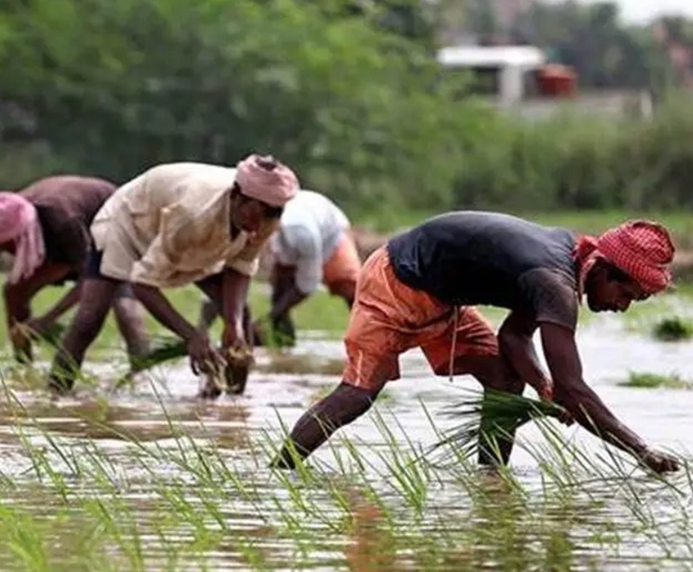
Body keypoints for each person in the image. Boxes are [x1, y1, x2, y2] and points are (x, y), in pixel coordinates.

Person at [271, 211, 682, 474]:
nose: (623, 307)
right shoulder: (554, 281)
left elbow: (514, 336)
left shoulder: (566, 263)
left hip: (441, 301)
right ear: (605, 271)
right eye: (627, 295)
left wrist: (542, 386)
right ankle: (279, 472)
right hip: (395, 282)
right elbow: (574, 389)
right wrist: (641, 450)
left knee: (505, 378)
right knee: (356, 396)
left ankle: (490, 482)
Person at [48, 154, 300, 396]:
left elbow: (241, 267)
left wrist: (233, 327)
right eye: (254, 215)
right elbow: (142, 283)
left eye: (269, 217)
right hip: (131, 224)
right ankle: (56, 394)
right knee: (90, 317)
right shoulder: (193, 213)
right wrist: (191, 336)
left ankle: (232, 404)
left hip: (192, 243)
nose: (258, 227)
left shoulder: (265, 217)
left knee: (239, 319)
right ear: (236, 196)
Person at [0, 175, 150, 364]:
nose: (6, 252)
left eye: (10, 246)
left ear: (23, 233)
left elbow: (88, 282)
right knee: (14, 292)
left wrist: (47, 320)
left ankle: (142, 372)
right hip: (58, 242)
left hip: (113, 223)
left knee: (123, 308)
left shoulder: (63, 222)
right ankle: (23, 363)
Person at [198, 188, 360, 345]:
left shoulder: (302, 234)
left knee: (350, 289)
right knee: (280, 293)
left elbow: (307, 284)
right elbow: (224, 277)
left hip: (331, 235)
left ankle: (366, 338)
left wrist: (266, 320)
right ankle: (281, 342)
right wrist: (202, 331)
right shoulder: (245, 229)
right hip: (290, 240)